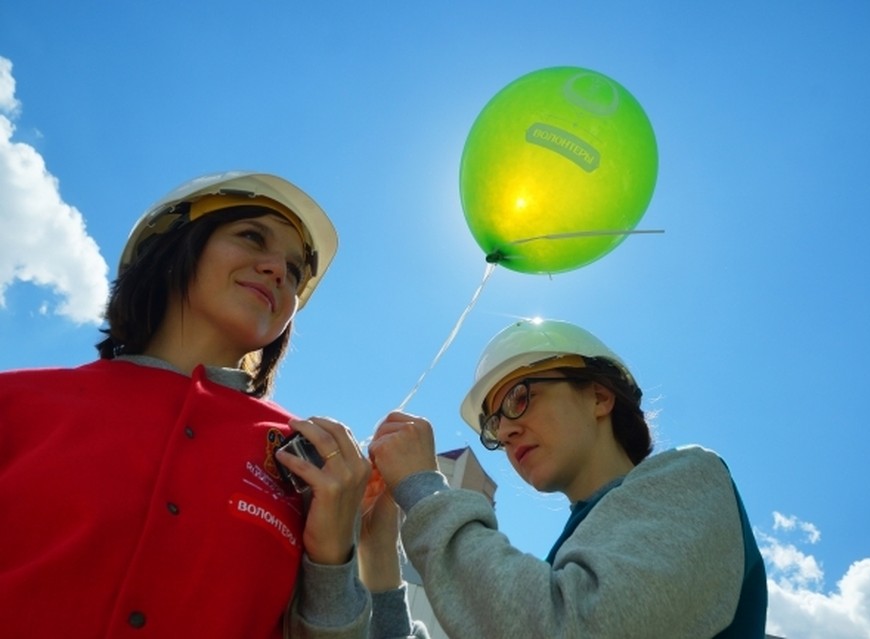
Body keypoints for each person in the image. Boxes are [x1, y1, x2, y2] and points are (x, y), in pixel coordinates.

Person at [0, 172, 414, 638]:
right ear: (175, 243)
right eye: (252, 237)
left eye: (294, 271)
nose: (279, 270)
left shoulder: (313, 466)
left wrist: (334, 558)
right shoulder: (13, 403)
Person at [366, 318, 768, 638]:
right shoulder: (562, 569)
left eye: (518, 398)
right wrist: (378, 546)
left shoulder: (693, 479)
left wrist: (424, 490)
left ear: (599, 397)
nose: (504, 432)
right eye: (494, 424)